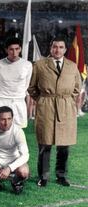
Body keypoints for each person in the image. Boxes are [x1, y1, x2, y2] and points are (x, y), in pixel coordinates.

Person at [28, 36, 81, 187]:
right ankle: (43, 177)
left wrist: (67, 101)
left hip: (66, 107)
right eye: (54, 47)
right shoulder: (39, 65)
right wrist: (43, 100)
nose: (57, 50)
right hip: (46, 106)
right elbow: (32, 87)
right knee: (45, 144)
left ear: (65, 49)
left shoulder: (72, 66)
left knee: (64, 145)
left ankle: (61, 175)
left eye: (61, 47)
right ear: (50, 49)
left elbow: (77, 88)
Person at [0, 37, 32, 128]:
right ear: (6, 50)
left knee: (18, 132)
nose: (14, 53)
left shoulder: (27, 65)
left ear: (20, 49)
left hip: (18, 101)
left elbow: (26, 87)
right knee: (0, 131)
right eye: (11, 49)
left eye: (17, 49)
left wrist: (27, 106)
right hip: (2, 101)